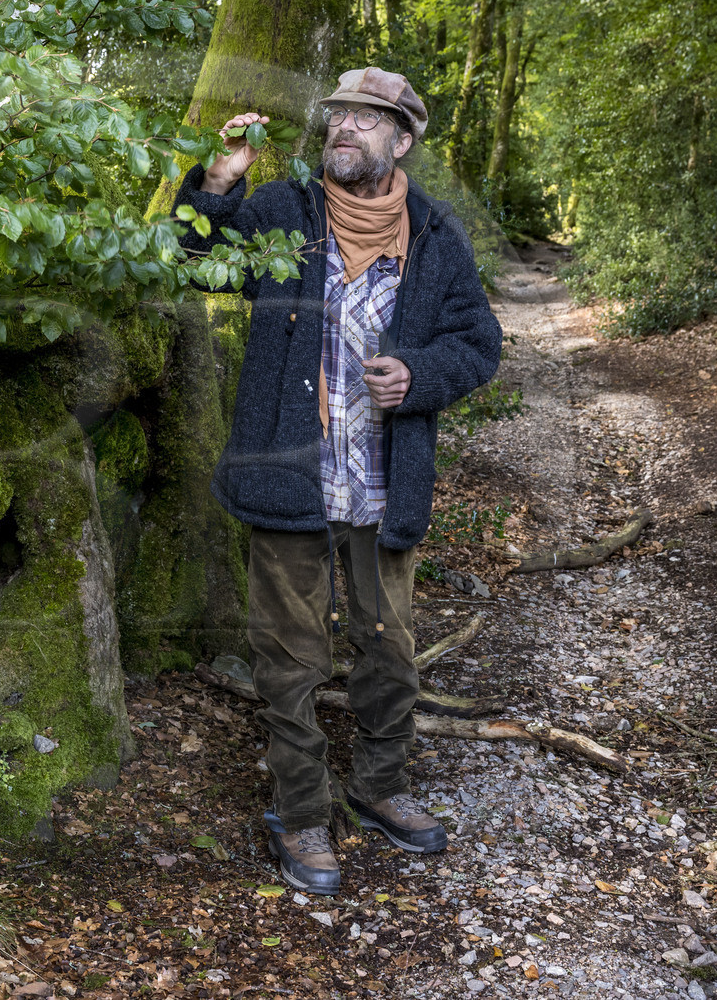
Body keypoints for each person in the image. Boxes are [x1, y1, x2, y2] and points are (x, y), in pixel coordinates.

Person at [173, 68, 503, 894]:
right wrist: (220, 181)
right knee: (291, 657)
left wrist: (419, 376)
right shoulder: (284, 213)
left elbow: (480, 342)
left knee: (389, 651)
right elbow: (194, 258)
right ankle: (301, 811)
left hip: (385, 487)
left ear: (402, 139)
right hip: (290, 481)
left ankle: (379, 788)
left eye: (367, 117)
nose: (345, 127)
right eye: (339, 116)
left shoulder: (434, 236)